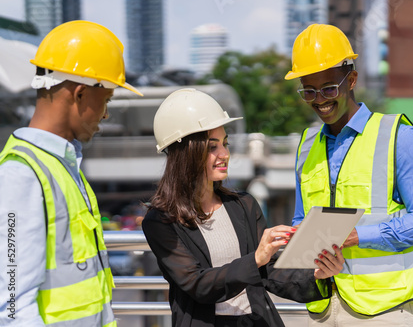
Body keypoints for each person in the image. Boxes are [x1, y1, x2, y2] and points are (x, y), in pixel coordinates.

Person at [142, 88, 345, 327]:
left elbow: (269, 271)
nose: (225, 154)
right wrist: (255, 259)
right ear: (186, 152)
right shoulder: (161, 221)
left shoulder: (243, 205)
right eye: (212, 147)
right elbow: (197, 285)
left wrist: (316, 276)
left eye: (225, 144)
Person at [284, 24, 413, 326]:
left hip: (385, 311)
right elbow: (301, 220)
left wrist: (358, 236)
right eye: (309, 91)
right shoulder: (306, 147)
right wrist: (301, 246)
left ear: (352, 79)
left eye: (329, 88)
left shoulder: (399, 136)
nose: (320, 100)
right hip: (322, 309)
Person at [0, 20, 142, 326]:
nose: (105, 115)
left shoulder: (63, 166)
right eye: (105, 101)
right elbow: (11, 306)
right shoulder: (21, 174)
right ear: (79, 94)